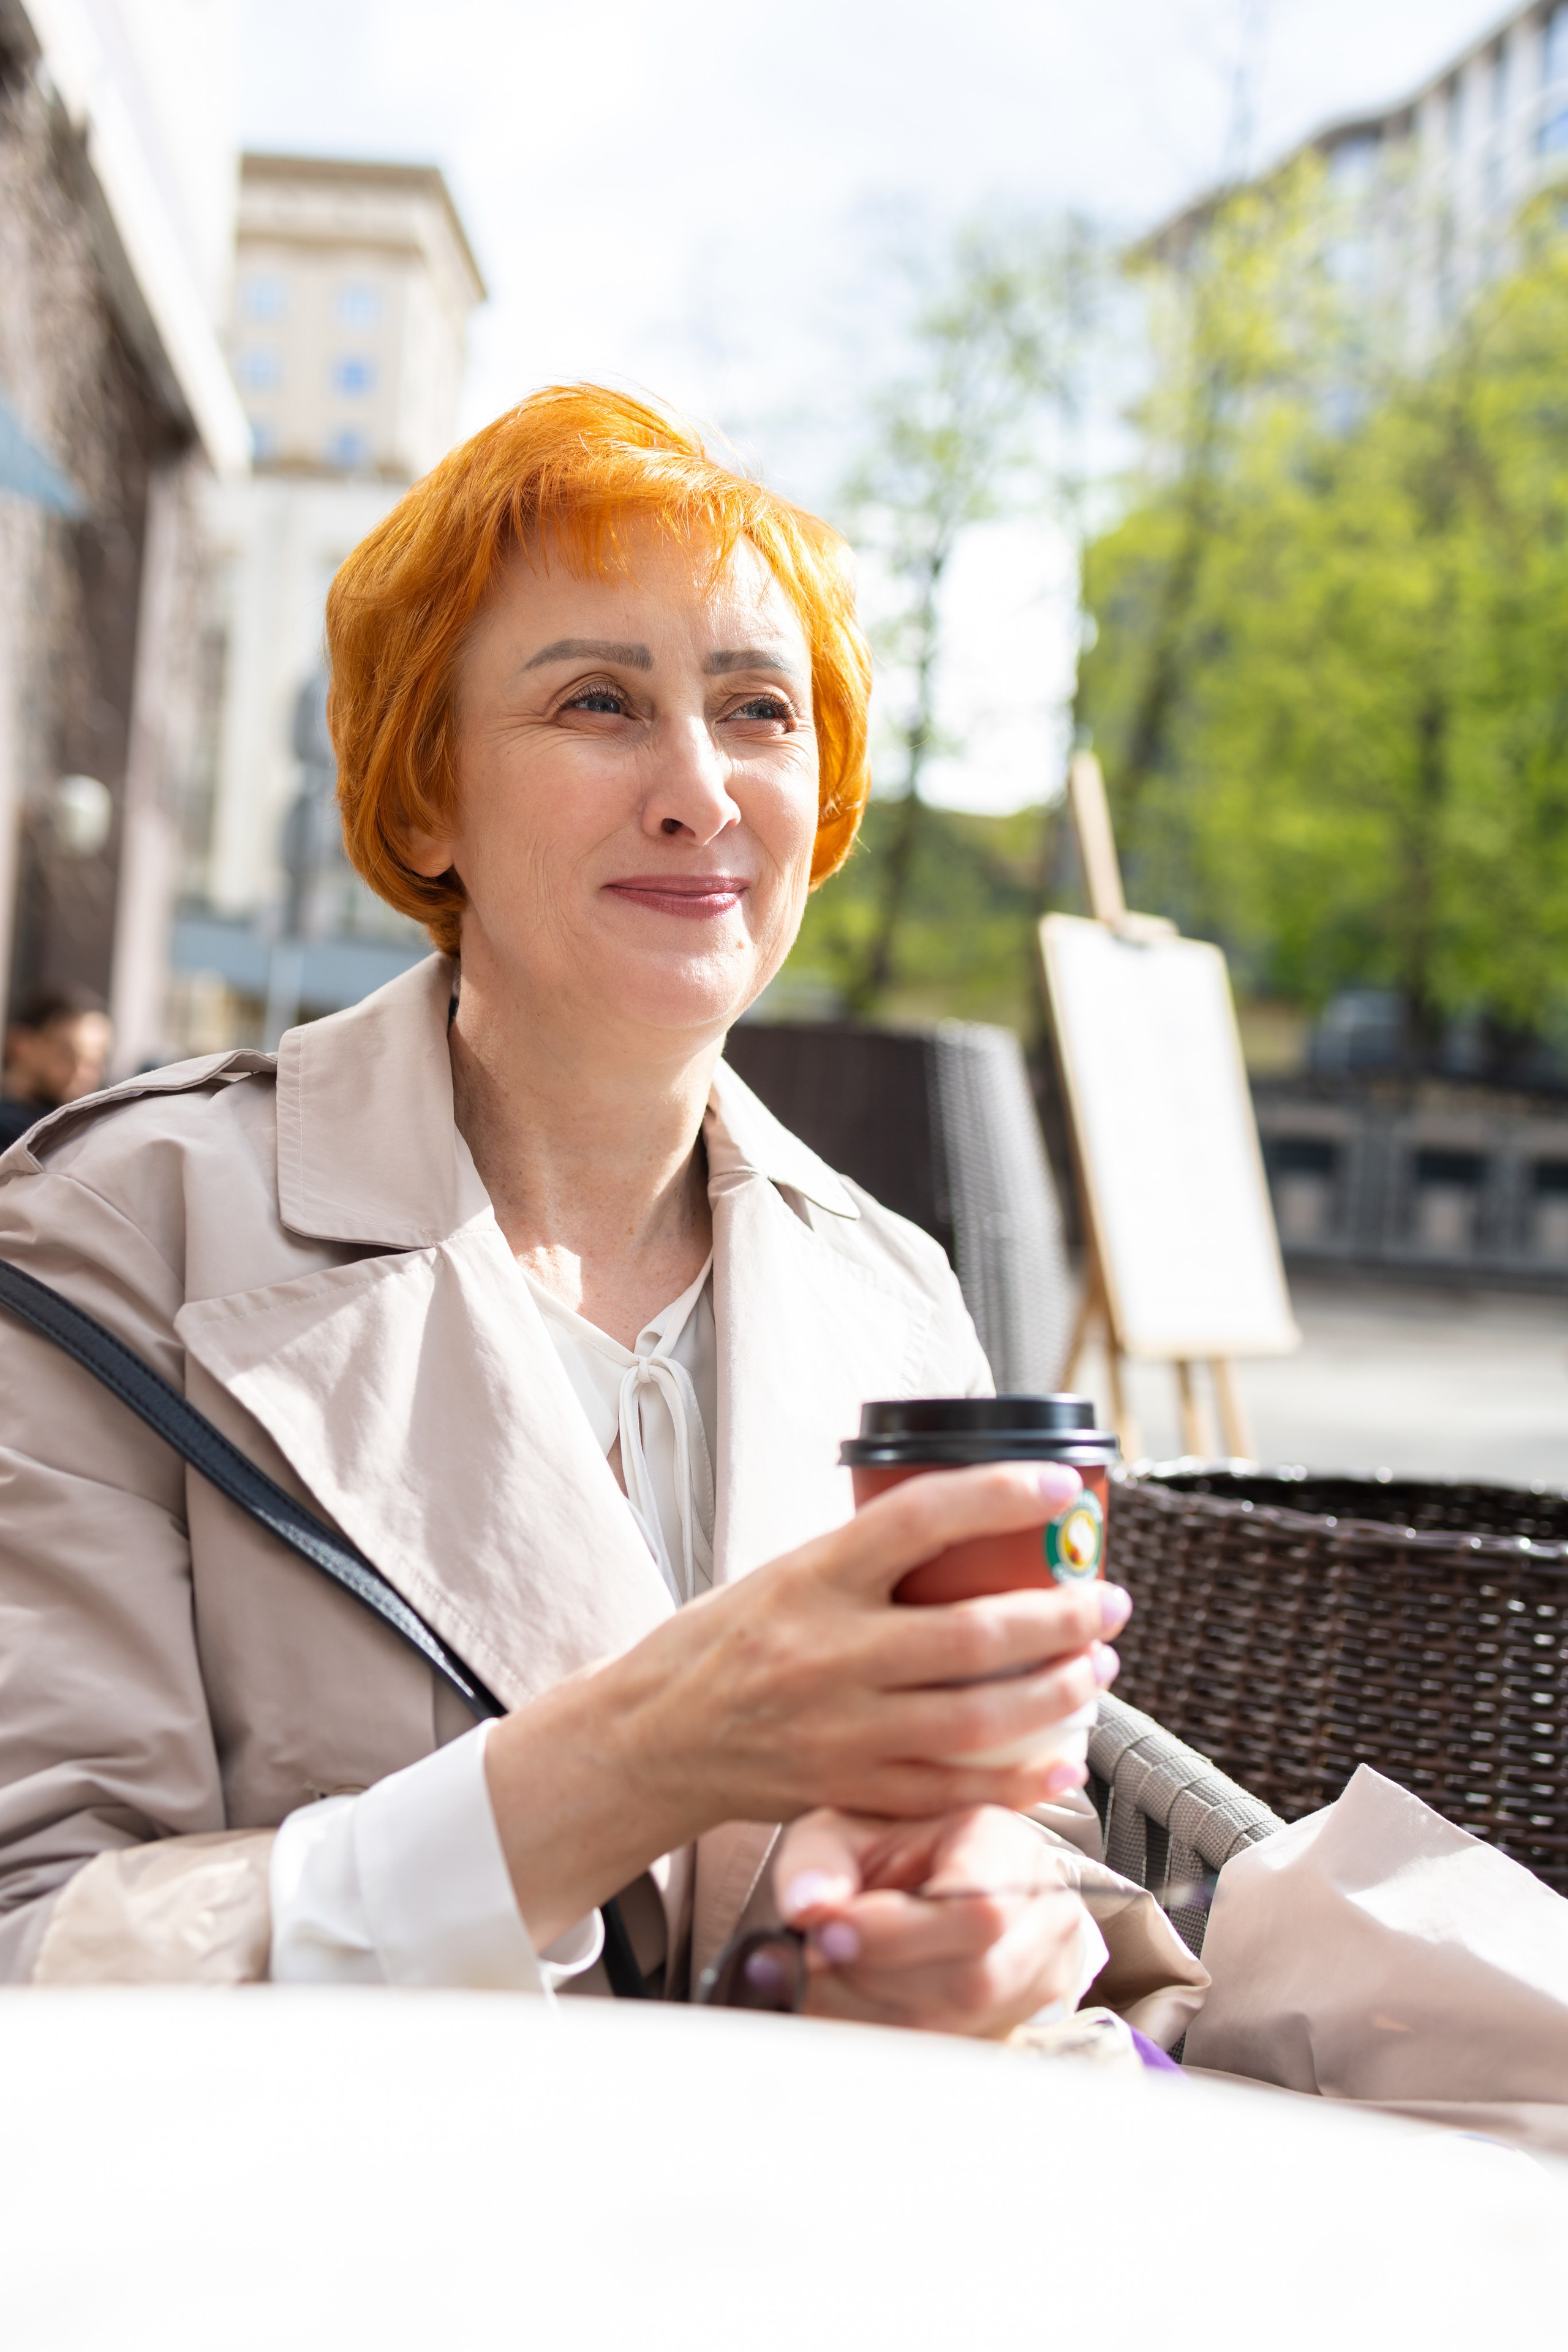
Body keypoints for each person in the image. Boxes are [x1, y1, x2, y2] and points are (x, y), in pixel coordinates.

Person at [0, 387, 1199, 2042]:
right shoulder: (120, 1231)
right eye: (597, 702)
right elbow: (41, 1950)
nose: (700, 789)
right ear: (428, 801)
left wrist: (976, 1946)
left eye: (759, 710)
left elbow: (1025, 1832)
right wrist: (636, 1756)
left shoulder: (895, 1289)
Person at [0, 984, 111, 1152]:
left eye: (96, 1060)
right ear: (21, 1045)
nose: (86, 1073)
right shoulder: (12, 1130)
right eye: (68, 1054)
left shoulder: (96, 1128)